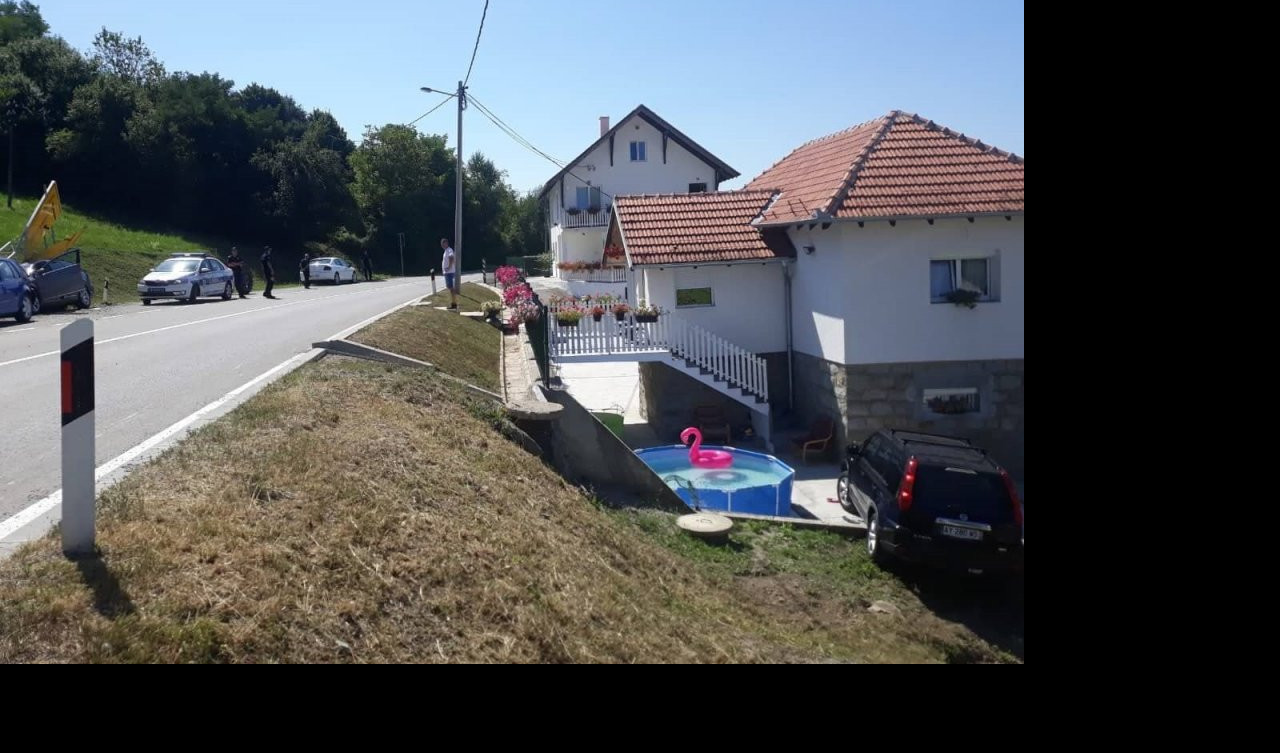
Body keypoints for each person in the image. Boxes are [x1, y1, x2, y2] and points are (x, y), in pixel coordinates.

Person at [440, 237, 458, 310]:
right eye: (441, 244)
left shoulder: (449, 250)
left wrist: (449, 267)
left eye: (443, 243)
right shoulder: (446, 251)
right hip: (447, 272)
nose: (442, 245)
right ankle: (453, 303)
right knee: (450, 288)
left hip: (449, 272)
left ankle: (454, 304)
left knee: (451, 288)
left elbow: (451, 258)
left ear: (446, 243)